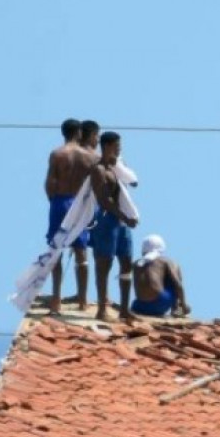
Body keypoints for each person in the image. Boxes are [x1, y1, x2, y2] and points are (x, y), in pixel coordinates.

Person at [44, 118, 97, 314]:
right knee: (81, 251)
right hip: (79, 204)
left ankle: (56, 300)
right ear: (78, 133)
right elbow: (96, 184)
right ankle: (83, 300)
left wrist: (54, 201)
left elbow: (49, 182)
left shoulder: (57, 154)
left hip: (60, 201)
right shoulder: (90, 158)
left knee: (56, 248)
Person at [88, 132, 138, 321]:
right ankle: (102, 310)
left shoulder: (117, 169)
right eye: (117, 146)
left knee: (126, 262)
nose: (119, 149)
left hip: (121, 222)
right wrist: (125, 217)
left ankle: (124, 309)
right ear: (107, 146)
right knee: (104, 264)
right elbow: (105, 200)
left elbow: (130, 185)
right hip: (108, 220)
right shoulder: (98, 170)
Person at [131, 235, 190, 318]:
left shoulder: (136, 263)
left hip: (139, 306)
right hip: (161, 303)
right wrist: (184, 306)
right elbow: (178, 285)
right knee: (173, 271)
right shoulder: (165, 261)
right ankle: (176, 309)